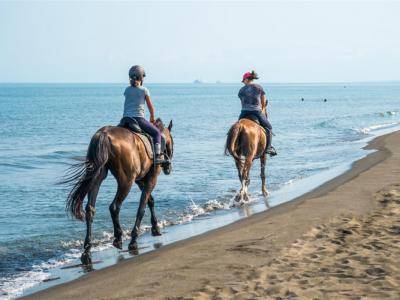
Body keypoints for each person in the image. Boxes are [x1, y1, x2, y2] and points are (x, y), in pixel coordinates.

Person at [120, 65, 167, 164]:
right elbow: (150, 107)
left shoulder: (127, 90)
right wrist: (152, 117)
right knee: (157, 133)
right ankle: (158, 156)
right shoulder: (144, 90)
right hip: (138, 119)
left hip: (125, 119)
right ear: (141, 77)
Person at [238, 70, 277, 156]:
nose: (243, 82)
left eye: (243, 81)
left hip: (244, 112)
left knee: (237, 127)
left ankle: (237, 146)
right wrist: (262, 109)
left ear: (246, 79)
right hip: (256, 111)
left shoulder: (241, 90)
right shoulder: (258, 87)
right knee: (269, 128)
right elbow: (263, 103)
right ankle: (268, 148)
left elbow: (242, 104)